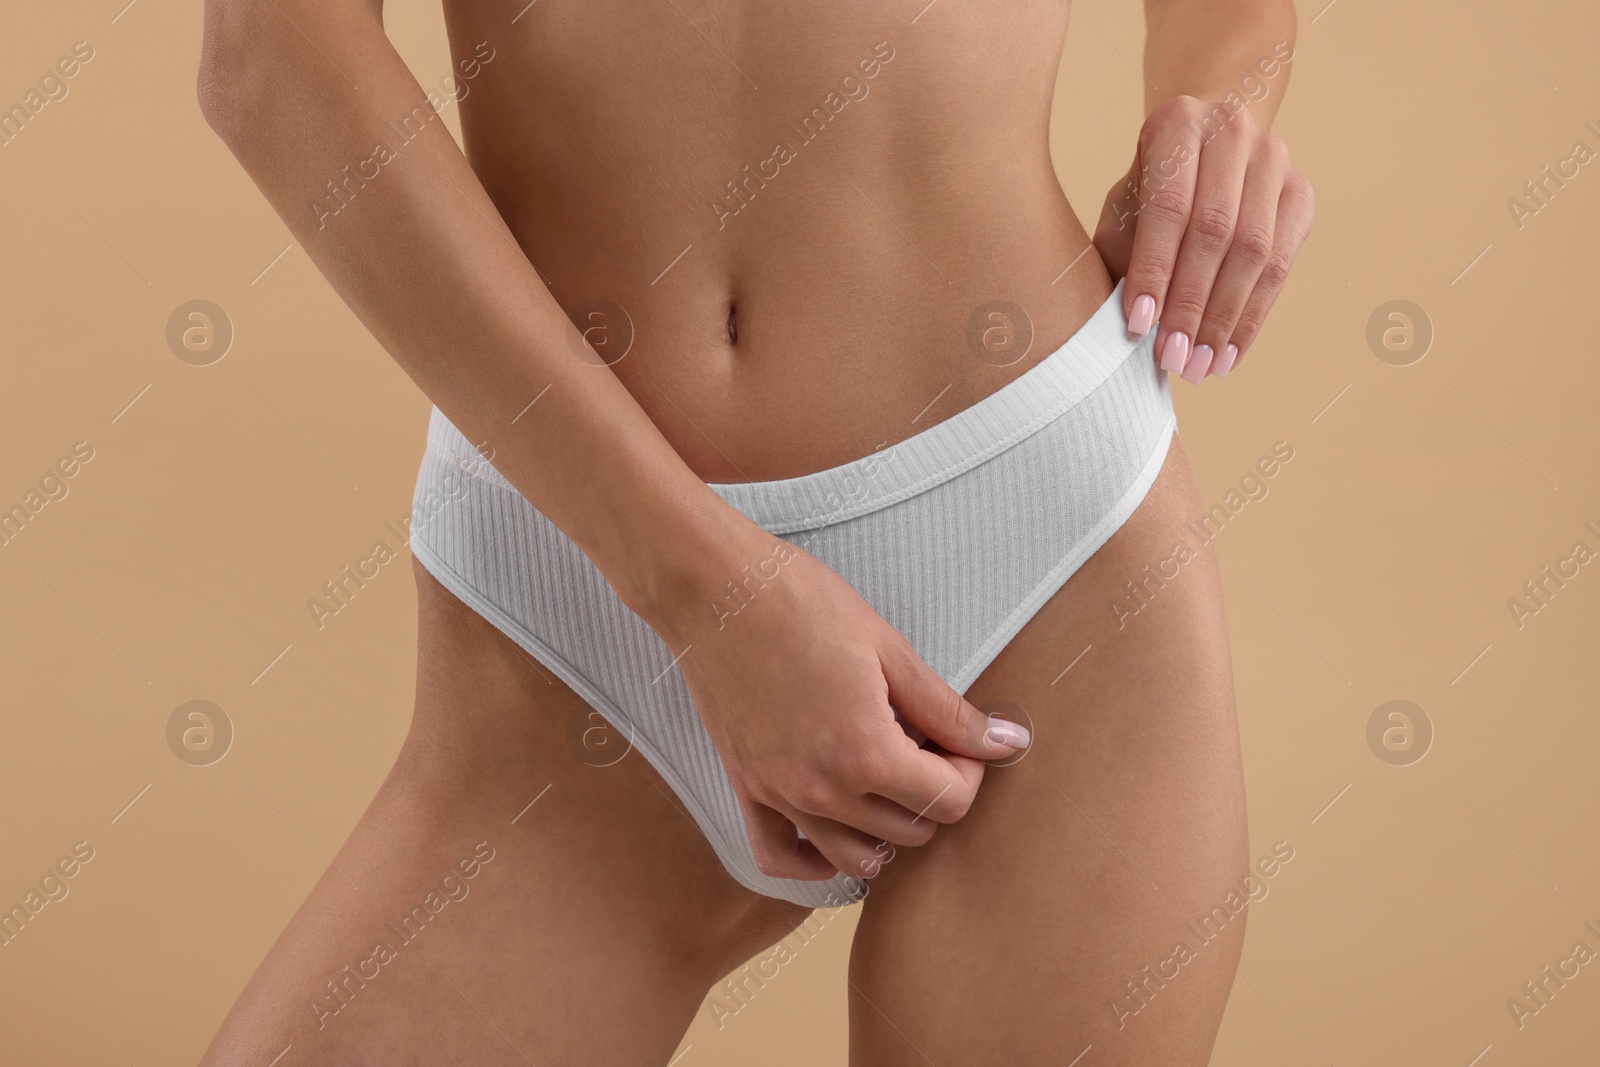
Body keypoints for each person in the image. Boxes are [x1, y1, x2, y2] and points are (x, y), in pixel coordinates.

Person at [195, 0, 1311, 1062]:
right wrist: (703, 596)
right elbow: (267, 52)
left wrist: (1218, 110)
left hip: (1038, 545)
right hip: (573, 601)